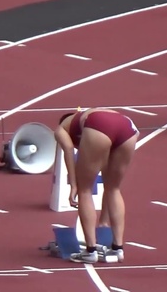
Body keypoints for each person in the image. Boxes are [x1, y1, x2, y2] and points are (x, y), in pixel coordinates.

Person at [54, 107, 139, 263]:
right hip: (128, 127)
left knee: (85, 190)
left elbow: (68, 150)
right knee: (113, 188)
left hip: (99, 125)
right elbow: (106, 168)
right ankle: (118, 248)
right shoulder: (84, 117)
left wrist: (73, 184)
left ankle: (90, 251)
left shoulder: (61, 129)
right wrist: (103, 220)